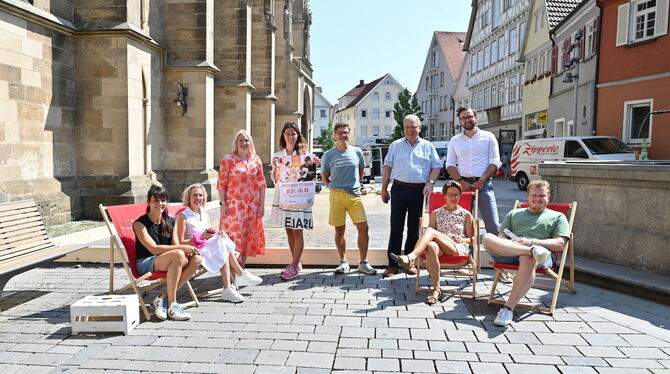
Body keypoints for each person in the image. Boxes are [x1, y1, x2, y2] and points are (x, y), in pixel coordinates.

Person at [483, 180, 569, 326]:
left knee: (528, 258)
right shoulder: (514, 213)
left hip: (541, 255)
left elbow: (560, 244)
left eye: (542, 195)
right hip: (511, 251)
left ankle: (508, 308)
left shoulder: (558, 216)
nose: (537, 199)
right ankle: (530, 251)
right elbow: (501, 237)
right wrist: (512, 243)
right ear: (527, 196)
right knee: (487, 237)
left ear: (548, 197)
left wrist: (532, 242)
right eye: (534, 195)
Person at [176, 184, 263, 303]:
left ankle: (230, 286)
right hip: (194, 249)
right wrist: (201, 237)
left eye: (200, 195)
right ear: (188, 198)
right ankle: (239, 275)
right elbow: (180, 241)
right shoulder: (183, 217)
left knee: (221, 241)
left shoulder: (204, 214)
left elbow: (210, 232)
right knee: (222, 247)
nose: (198, 198)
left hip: (209, 247)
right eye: (195, 195)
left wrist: (217, 233)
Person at [390, 181, 474, 304]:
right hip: (440, 246)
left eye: (456, 195)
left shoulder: (466, 214)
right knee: (430, 245)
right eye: (450, 194)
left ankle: (411, 257)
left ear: (460, 196)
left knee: (430, 231)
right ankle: (437, 289)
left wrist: (463, 239)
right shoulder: (436, 213)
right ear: (444, 195)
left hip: (456, 247)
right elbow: (429, 238)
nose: (453, 198)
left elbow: (472, 239)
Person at [380, 114, 442, 277]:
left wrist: (430, 182)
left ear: (419, 127)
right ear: (403, 129)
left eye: (413, 127)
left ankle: (409, 262)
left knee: (414, 228)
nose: (410, 130)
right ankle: (392, 265)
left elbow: (436, 167)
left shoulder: (428, 146)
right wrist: (384, 188)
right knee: (396, 227)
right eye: (407, 127)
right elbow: (387, 167)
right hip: (399, 188)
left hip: (419, 190)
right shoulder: (395, 145)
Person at [133, 185, 201, 321]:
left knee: (197, 259)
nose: (160, 204)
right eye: (156, 201)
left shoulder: (170, 221)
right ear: (149, 202)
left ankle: (163, 297)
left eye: (163, 200)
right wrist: (182, 248)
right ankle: (173, 304)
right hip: (146, 262)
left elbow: (176, 245)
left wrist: (186, 249)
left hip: (168, 259)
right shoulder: (140, 224)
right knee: (179, 254)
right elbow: (153, 249)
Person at [320, 123, 377, 275]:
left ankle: (363, 262)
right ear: (335, 135)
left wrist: (354, 185)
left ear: (349, 134)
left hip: (354, 195)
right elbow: (324, 176)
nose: (343, 135)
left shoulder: (356, 152)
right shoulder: (329, 154)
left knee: (363, 228)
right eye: (340, 133)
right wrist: (332, 186)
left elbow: (360, 172)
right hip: (336, 195)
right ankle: (343, 261)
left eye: (345, 133)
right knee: (339, 230)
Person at [270, 123, 318, 280]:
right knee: (289, 229)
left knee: (297, 230)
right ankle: (295, 263)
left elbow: (309, 176)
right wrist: (276, 167)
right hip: (284, 196)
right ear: (283, 135)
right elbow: (275, 179)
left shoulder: (305, 155)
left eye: (293, 134)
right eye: (287, 134)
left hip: (299, 197)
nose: (290, 137)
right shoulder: (278, 154)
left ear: (298, 135)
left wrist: (314, 164)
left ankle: (295, 265)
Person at [446, 106, 502, 234]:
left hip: (484, 185)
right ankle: (467, 254)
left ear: (476, 118)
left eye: (470, 116)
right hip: (462, 186)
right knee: (463, 227)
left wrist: (482, 180)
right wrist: (460, 181)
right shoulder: (454, 140)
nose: (467, 120)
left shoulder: (488, 137)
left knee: (493, 225)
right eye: (463, 118)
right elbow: (450, 164)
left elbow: (495, 162)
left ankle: (496, 253)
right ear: (460, 122)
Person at [218, 130, 267, 268]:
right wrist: (222, 203)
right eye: (241, 140)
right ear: (236, 142)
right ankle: (232, 274)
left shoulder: (256, 159)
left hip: (252, 206)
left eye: (246, 140)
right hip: (234, 206)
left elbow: (262, 184)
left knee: (246, 238)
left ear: (250, 142)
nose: (244, 143)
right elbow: (221, 183)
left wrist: (262, 205)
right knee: (232, 238)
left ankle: (241, 269)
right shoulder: (228, 159)